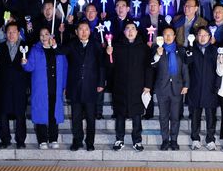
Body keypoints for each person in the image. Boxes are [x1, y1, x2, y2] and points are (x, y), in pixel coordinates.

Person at [55, 21, 105, 151]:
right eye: (81, 29)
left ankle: (90, 142)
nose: (83, 32)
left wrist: (101, 82)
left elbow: (101, 65)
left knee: (90, 117)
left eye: (86, 29)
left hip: (91, 85)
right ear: (76, 32)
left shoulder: (96, 45)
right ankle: (77, 141)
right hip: (75, 86)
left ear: (90, 31)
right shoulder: (72, 44)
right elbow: (60, 50)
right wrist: (54, 44)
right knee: (76, 117)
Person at [107, 22, 152, 152]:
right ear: (124, 32)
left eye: (133, 29)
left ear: (137, 32)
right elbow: (110, 67)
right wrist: (108, 54)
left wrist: (148, 85)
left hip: (138, 87)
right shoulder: (116, 47)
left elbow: (148, 68)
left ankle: (137, 140)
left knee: (137, 115)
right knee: (120, 114)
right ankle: (119, 139)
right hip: (120, 86)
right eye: (127, 29)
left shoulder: (144, 48)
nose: (130, 31)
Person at [23, 27, 67, 149]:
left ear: (51, 35)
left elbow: (64, 69)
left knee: (54, 112)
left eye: (46, 34)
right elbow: (29, 68)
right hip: (41, 87)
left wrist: (64, 85)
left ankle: (53, 139)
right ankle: (42, 139)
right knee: (41, 111)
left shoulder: (57, 50)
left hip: (55, 86)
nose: (44, 37)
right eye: (41, 34)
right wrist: (24, 62)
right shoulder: (35, 50)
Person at [152, 27, 189, 151]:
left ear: (174, 36)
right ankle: (165, 140)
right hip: (162, 88)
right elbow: (152, 65)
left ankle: (174, 140)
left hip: (177, 88)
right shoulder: (156, 49)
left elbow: (185, 69)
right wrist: (158, 54)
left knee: (175, 116)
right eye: (165, 35)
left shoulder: (181, 50)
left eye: (170, 35)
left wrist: (186, 84)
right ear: (161, 37)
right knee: (163, 116)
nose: (168, 37)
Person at [0, 22, 31, 149]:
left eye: (14, 32)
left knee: (20, 114)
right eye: (9, 32)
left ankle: (21, 140)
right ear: (5, 34)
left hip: (20, 85)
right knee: (3, 113)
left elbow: (30, 68)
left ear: (18, 33)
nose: (11, 34)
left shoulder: (26, 47)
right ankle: (5, 140)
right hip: (3, 85)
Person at [185, 27, 219, 150]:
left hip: (211, 88)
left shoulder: (215, 51)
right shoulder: (192, 50)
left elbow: (220, 70)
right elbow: (187, 65)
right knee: (195, 115)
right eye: (200, 35)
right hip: (195, 88)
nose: (202, 37)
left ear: (210, 37)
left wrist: (217, 86)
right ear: (196, 37)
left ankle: (210, 139)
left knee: (211, 116)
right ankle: (195, 139)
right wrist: (189, 48)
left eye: (205, 35)